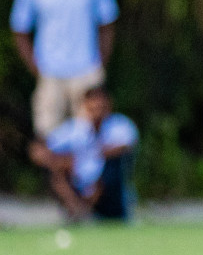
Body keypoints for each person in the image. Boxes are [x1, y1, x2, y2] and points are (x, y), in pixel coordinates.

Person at [10, 0, 119, 138]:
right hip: (50, 70)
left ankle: (89, 172)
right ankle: (55, 172)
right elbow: (20, 29)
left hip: (87, 69)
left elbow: (107, 23)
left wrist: (100, 62)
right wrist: (36, 66)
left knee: (89, 134)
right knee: (48, 134)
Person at [29, 85, 138, 222]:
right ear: (85, 105)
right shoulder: (75, 128)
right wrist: (60, 161)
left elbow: (123, 148)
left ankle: (94, 212)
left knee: (111, 166)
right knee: (57, 170)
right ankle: (79, 212)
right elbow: (39, 150)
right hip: (79, 183)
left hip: (108, 187)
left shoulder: (120, 125)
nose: (97, 110)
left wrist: (85, 155)